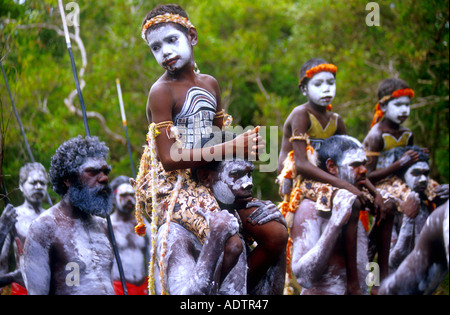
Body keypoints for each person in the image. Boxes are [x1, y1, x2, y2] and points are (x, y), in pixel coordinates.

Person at [135, 4, 263, 294]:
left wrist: (246, 149)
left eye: (171, 40)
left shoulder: (210, 84)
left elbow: (219, 137)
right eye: (155, 47)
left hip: (208, 178)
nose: (165, 51)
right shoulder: (161, 92)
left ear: (192, 36)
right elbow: (168, 158)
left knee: (271, 231)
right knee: (231, 242)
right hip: (174, 186)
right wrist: (232, 144)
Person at [290, 135, 395, 295]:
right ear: (332, 166)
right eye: (355, 165)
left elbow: (360, 262)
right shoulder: (310, 209)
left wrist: (381, 223)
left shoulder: (352, 203)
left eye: (364, 164)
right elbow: (303, 277)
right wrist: (335, 223)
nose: (364, 170)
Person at [194, 132, 289, 294]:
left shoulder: (243, 219)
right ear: (205, 178)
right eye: (236, 175)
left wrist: (281, 231)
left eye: (250, 174)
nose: (248, 184)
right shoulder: (185, 229)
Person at [22, 136, 115, 295]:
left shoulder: (103, 226)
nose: (104, 178)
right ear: (68, 180)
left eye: (105, 172)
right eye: (92, 172)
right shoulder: (44, 228)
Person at [387, 146, 448, 272]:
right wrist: (408, 221)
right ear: (401, 177)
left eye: (426, 174)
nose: (423, 180)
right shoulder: (389, 207)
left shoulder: (427, 204)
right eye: (416, 174)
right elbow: (392, 261)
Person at [379, 200, 449, 295]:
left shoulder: (425, 209)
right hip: (392, 273)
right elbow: (393, 258)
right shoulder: (391, 208)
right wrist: (408, 220)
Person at [0, 162, 49, 295]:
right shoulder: (12, 216)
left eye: (42, 183)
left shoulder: (53, 216)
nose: (38, 187)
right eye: (33, 183)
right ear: (21, 186)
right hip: (21, 289)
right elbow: (2, 261)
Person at [110, 175, 150, 295]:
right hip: (118, 288)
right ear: (114, 198)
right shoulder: (108, 225)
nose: (129, 199)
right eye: (123, 195)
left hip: (143, 286)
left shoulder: (142, 223)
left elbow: (153, 254)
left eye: (132, 195)